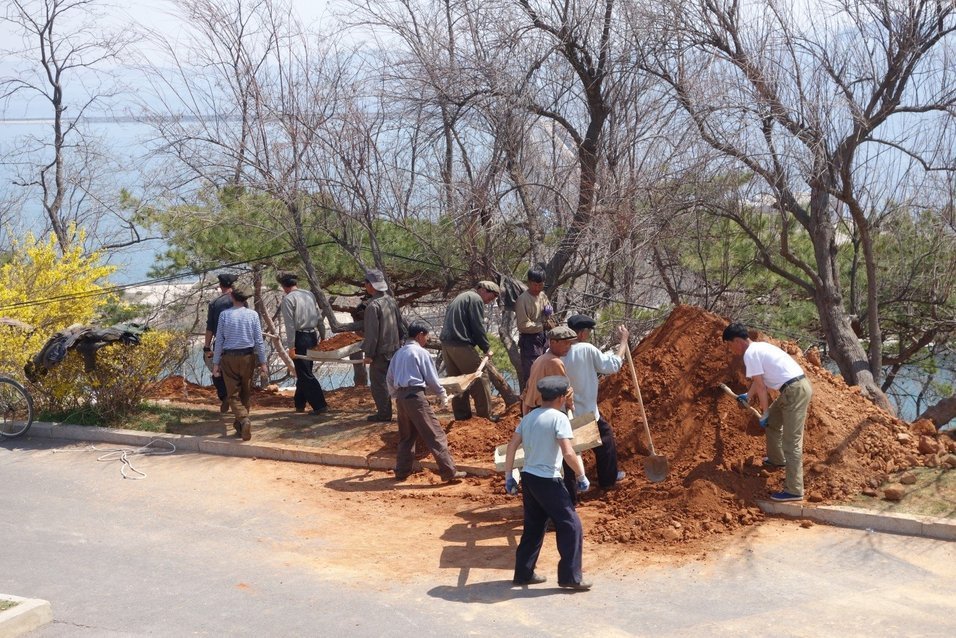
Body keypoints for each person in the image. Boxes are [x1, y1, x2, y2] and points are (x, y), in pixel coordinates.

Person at [504, 375, 592, 591]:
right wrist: (581, 475)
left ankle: (523, 573)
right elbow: (568, 452)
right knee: (571, 525)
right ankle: (570, 577)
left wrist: (508, 475)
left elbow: (512, 446)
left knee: (534, 527)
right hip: (548, 480)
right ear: (561, 398)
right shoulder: (559, 418)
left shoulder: (528, 417)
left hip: (529, 478)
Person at [722, 322, 813, 502]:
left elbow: (762, 388)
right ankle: (776, 459)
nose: (731, 349)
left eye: (730, 345)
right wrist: (748, 396)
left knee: (791, 442)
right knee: (772, 424)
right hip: (791, 389)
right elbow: (758, 381)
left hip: (794, 391)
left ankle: (794, 490)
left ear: (738, 341)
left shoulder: (750, 354)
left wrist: (764, 413)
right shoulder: (758, 348)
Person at [387, 321, 467, 483]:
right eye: (426, 336)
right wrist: (442, 394)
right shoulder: (420, 353)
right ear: (420, 335)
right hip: (415, 398)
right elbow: (432, 378)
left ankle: (401, 471)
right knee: (435, 435)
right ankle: (449, 472)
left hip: (402, 399)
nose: (427, 340)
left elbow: (389, 378)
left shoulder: (399, 353)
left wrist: (396, 395)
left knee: (407, 437)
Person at [562, 314, 628, 496]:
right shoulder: (586, 349)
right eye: (588, 332)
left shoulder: (554, 350)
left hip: (561, 412)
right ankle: (608, 480)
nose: (589, 335)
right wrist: (623, 342)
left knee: (568, 447)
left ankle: (572, 483)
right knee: (604, 439)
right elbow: (612, 365)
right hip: (585, 411)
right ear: (582, 333)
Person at [212, 284, 269, 441]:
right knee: (245, 392)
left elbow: (219, 341)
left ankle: (243, 420)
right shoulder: (253, 315)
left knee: (232, 394)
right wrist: (263, 362)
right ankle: (240, 426)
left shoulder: (224, 315)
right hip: (248, 358)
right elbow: (259, 340)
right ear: (246, 299)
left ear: (232, 297)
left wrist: (216, 363)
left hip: (229, 358)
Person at [439, 281, 500, 421]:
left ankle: (461, 416)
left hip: (447, 346)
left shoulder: (462, 297)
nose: (492, 300)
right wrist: (486, 347)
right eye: (492, 295)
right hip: (461, 345)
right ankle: (486, 416)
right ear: (482, 289)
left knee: (458, 380)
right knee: (480, 377)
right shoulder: (475, 299)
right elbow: (477, 326)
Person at [277, 272, 328, 415]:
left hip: (300, 338)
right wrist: (323, 336)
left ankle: (320, 406)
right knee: (303, 371)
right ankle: (299, 403)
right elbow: (319, 317)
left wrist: (291, 346)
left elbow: (290, 326)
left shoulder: (288, 299)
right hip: (312, 336)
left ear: (283, 286)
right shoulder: (309, 294)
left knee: (305, 374)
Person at [362, 269, 405, 422]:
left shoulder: (373, 306)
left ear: (370, 285)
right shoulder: (391, 301)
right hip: (394, 349)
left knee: (379, 384)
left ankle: (384, 413)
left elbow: (372, 335)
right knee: (396, 383)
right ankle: (403, 412)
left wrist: (368, 354)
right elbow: (401, 326)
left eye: (366, 283)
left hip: (380, 353)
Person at [522, 324, 576, 415]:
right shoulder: (554, 362)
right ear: (553, 342)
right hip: (546, 412)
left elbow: (527, 391)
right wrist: (570, 404)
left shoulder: (540, 359)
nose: (568, 347)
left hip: (534, 412)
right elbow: (565, 389)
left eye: (570, 343)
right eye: (565, 343)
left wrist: (525, 416)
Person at [514, 266, 554, 391]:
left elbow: (548, 311)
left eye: (540, 285)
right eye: (534, 285)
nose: (537, 288)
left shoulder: (542, 295)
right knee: (532, 374)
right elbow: (523, 325)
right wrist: (542, 326)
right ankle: (529, 407)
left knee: (545, 372)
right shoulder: (523, 300)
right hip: (530, 341)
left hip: (543, 338)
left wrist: (549, 313)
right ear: (529, 283)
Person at [203, 273, 237, 413]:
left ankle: (224, 397)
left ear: (220, 286)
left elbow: (210, 327)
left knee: (216, 372)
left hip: (221, 344)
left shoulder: (215, 303)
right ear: (232, 286)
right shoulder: (240, 301)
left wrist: (206, 347)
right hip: (239, 343)